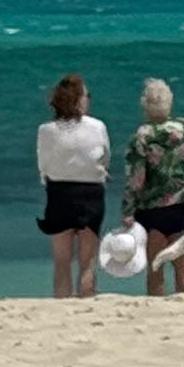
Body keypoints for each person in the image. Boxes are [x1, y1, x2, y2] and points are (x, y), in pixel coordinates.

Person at [121, 78, 184, 297]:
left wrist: (127, 209)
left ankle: (156, 302)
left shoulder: (141, 136)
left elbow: (136, 178)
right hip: (180, 202)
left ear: (145, 104)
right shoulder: (183, 128)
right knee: (181, 261)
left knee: (155, 264)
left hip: (151, 205)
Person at [35, 72, 109, 299]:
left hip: (60, 193)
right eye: (86, 96)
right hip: (90, 193)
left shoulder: (46, 130)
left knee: (62, 261)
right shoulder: (97, 126)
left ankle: (62, 305)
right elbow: (104, 158)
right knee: (87, 261)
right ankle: (86, 299)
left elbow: (43, 165)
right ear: (78, 100)